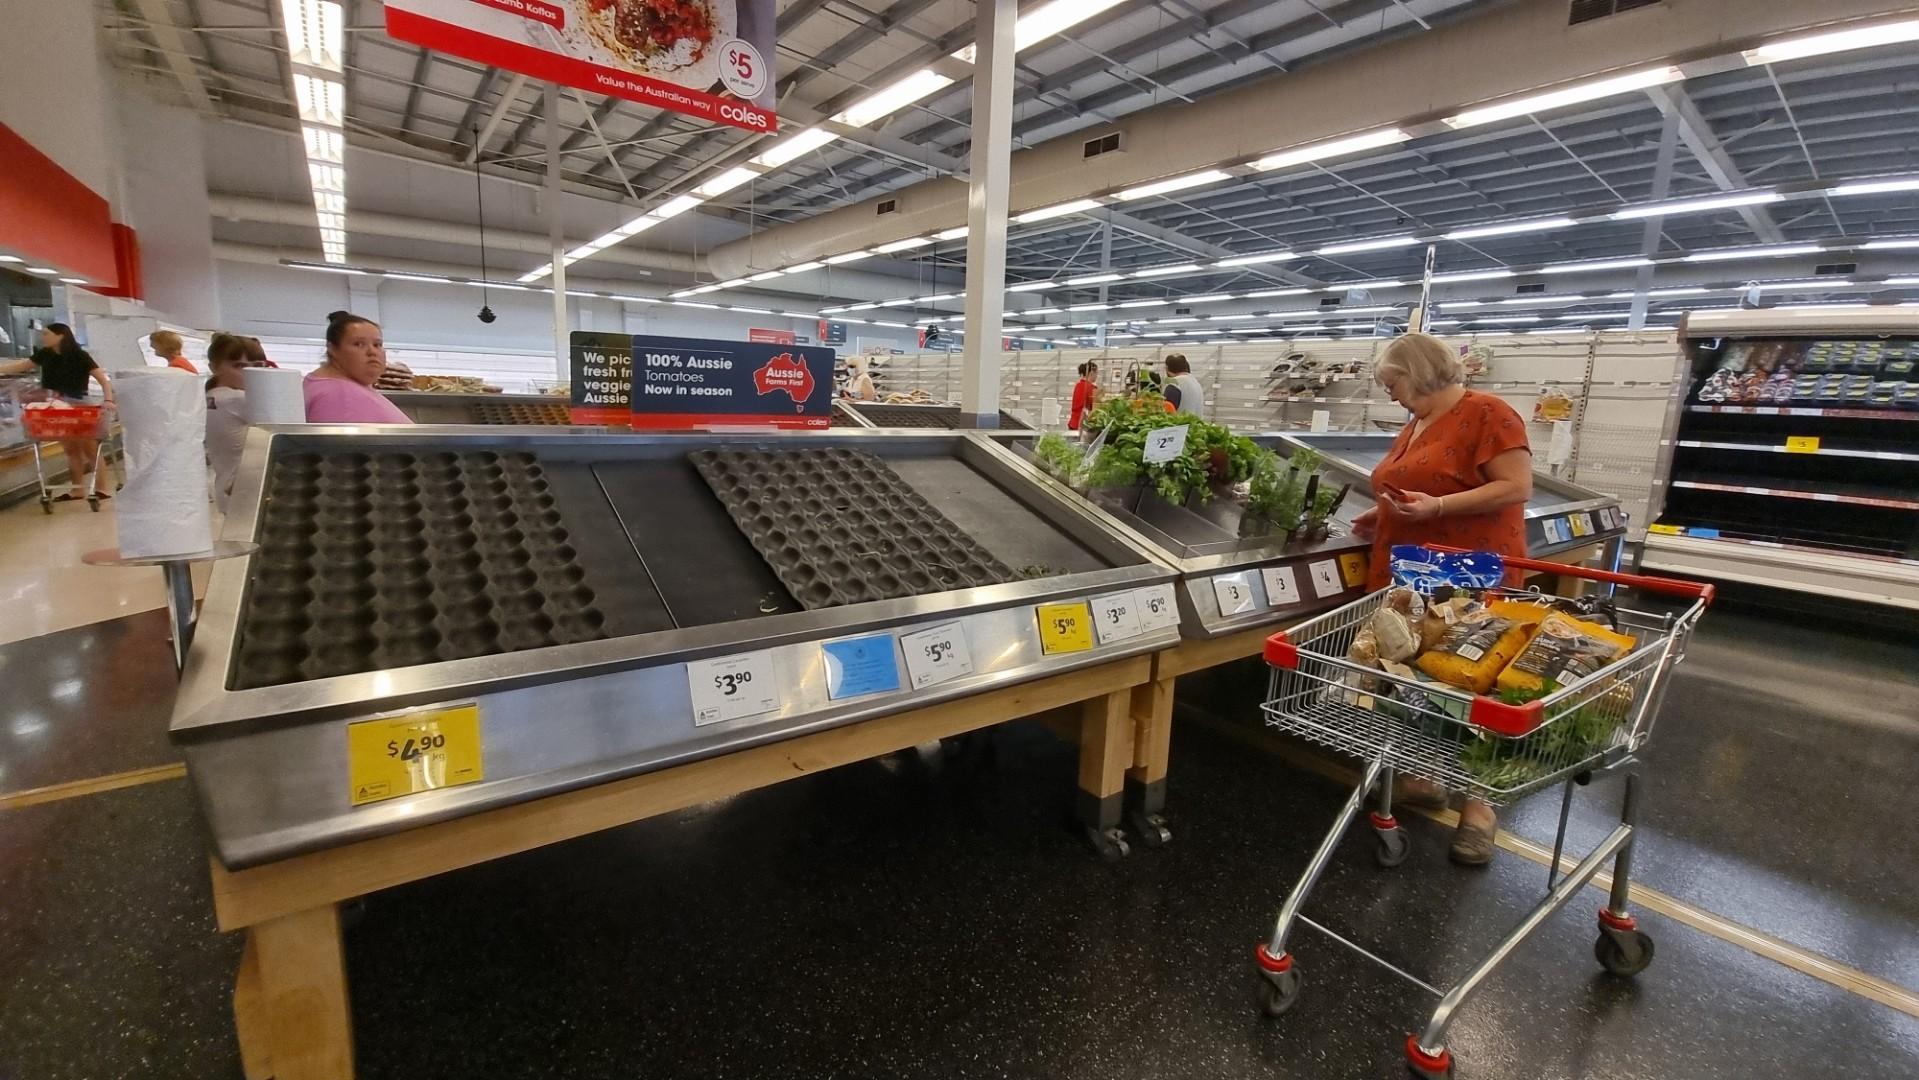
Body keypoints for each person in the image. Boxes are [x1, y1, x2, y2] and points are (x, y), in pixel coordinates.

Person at [1351, 332, 1533, 867]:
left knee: (1473, 678)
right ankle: (1425, 776)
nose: (1389, 393)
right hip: (1412, 570)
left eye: (1393, 382)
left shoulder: (1489, 413)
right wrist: (1382, 513)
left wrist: (1436, 509)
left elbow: (1516, 486)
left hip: (1469, 572)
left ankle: (1480, 808)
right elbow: (1415, 482)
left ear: (1420, 372)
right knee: (1418, 674)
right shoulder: (1417, 422)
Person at [0, 324, 116, 501]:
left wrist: (108, 400)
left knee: (90, 448)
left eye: (47, 334)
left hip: (79, 405)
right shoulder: (45, 354)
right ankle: (77, 490)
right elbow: (21, 366)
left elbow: (103, 380)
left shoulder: (80, 355)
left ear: (61, 335)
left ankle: (102, 488)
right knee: (71, 449)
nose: (43, 337)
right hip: (55, 405)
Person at [303, 311, 411, 424]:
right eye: (359, 344)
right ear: (333, 349)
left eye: (377, 345)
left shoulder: (346, 386)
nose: (372, 352)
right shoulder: (337, 395)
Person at [204, 334, 252, 511]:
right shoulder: (237, 399)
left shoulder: (210, 397)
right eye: (238, 366)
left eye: (254, 366)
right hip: (245, 489)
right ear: (214, 367)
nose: (248, 372)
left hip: (225, 487)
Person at [1068, 361, 1100, 430]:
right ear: (1091, 373)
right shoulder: (1091, 388)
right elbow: (1096, 406)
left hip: (1073, 422)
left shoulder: (1078, 385)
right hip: (1083, 424)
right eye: (1097, 373)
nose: (1097, 376)